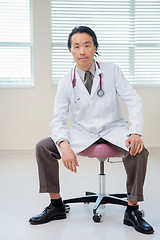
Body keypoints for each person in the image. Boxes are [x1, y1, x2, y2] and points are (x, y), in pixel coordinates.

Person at [29, 26, 154, 234]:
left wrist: (136, 132)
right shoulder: (66, 81)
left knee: (139, 151)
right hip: (82, 132)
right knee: (43, 147)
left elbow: (133, 100)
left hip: (113, 129)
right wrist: (63, 143)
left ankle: (132, 210)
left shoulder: (112, 70)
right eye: (76, 46)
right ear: (71, 50)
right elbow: (58, 119)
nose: (82, 51)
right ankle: (56, 205)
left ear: (95, 47)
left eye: (87, 45)